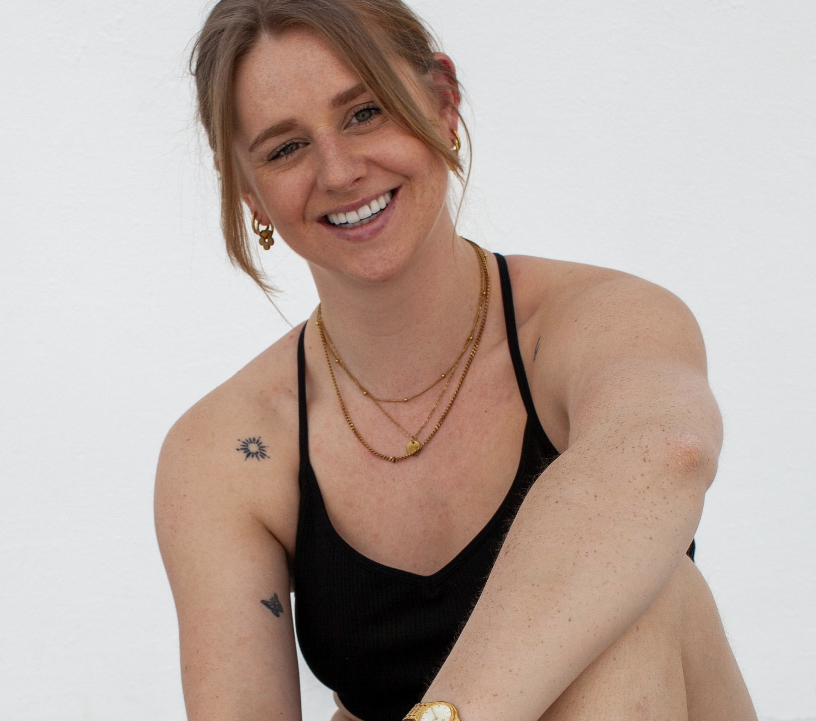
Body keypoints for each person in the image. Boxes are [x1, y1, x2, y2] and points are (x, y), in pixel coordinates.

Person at [155, 1, 758, 719]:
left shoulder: (600, 321)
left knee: (640, 599)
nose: (339, 171)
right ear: (247, 190)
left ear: (443, 103)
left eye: (365, 112)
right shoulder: (225, 451)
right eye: (285, 148)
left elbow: (669, 448)